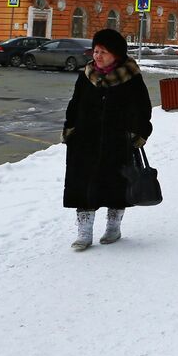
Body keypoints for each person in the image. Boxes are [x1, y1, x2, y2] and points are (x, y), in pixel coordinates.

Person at [62, 28, 153, 251]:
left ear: (116, 54)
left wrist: (140, 133)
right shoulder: (87, 75)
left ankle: (114, 226)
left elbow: (143, 108)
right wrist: (70, 128)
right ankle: (84, 232)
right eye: (95, 51)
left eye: (103, 51)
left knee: (116, 185)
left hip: (118, 141)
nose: (97, 56)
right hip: (85, 140)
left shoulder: (130, 77)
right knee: (83, 184)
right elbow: (75, 103)